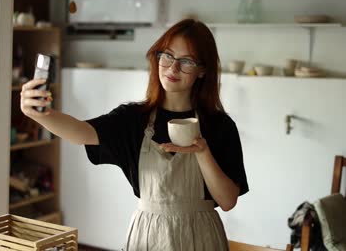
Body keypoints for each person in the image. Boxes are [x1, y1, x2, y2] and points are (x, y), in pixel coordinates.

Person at [20, 19, 249, 251]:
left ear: (203, 70)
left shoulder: (220, 125)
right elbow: (82, 133)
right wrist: (41, 115)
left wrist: (203, 152)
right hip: (148, 236)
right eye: (167, 55)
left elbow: (228, 201)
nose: (172, 68)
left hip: (201, 239)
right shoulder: (133, 118)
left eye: (186, 61)